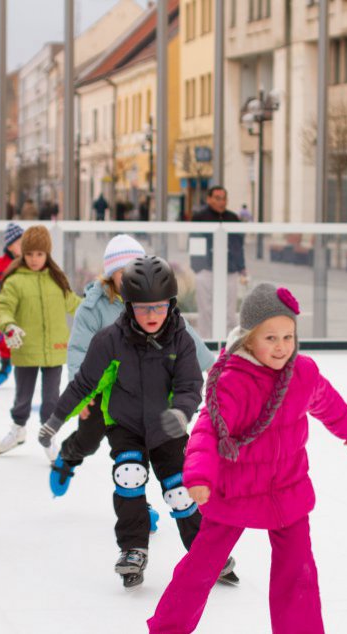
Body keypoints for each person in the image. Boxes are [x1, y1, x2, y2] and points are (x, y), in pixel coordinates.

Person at [147, 283, 347, 633]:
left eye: (288, 337)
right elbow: (208, 430)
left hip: (287, 488)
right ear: (248, 339)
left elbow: (324, 398)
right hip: (236, 487)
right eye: (270, 338)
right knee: (202, 566)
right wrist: (199, 476)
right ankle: (167, 627)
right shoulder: (234, 380)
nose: (281, 347)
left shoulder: (302, 372)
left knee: (298, 570)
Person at [37, 256, 234, 589]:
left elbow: (189, 386)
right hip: (125, 425)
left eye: (159, 307)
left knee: (180, 491)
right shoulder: (110, 340)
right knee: (129, 475)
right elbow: (84, 384)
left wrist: (181, 413)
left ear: (171, 304)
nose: (152, 315)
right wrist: (56, 419)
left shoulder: (181, 340)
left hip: (168, 426)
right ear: (129, 306)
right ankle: (133, 549)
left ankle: (205, 550)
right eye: (143, 308)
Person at [47, 235, 215, 498]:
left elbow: (185, 336)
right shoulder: (93, 307)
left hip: (144, 383)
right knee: (89, 440)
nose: (129, 278)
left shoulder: (153, 301)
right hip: (104, 387)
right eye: (122, 272)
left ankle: (137, 503)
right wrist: (82, 394)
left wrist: (212, 367)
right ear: (110, 275)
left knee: (143, 443)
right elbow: (79, 348)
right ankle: (69, 456)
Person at [0, 225, 82, 456]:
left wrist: (96, 307)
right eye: (29, 254)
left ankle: (48, 436)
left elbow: (74, 303)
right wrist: (8, 326)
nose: (34, 259)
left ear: (47, 254)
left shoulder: (56, 279)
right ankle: (18, 429)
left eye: (39, 254)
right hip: (25, 348)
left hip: (55, 349)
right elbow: (2, 307)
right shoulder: (15, 281)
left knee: (51, 399)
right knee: (22, 398)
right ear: (22, 254)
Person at [190, 186, 247, 338]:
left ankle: (229, 343)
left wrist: (241, 267)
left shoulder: (233, 218)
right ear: (209, 199)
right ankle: (207, 342)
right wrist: (198, 267)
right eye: (217, 198)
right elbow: (194, 241)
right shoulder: (199, 217)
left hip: (229, 270)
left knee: (230, 312)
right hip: (205, 270)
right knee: (206, 310)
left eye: (224, 198)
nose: (221, 202)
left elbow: (238, 245)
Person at [0, 222, 24, 387]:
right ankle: (5, 367)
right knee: (5, 339)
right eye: (19, 243)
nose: (24, 246)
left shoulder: (30, 263)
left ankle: (29, 369)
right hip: (5, 310)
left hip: (25, 309)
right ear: (10, 246)